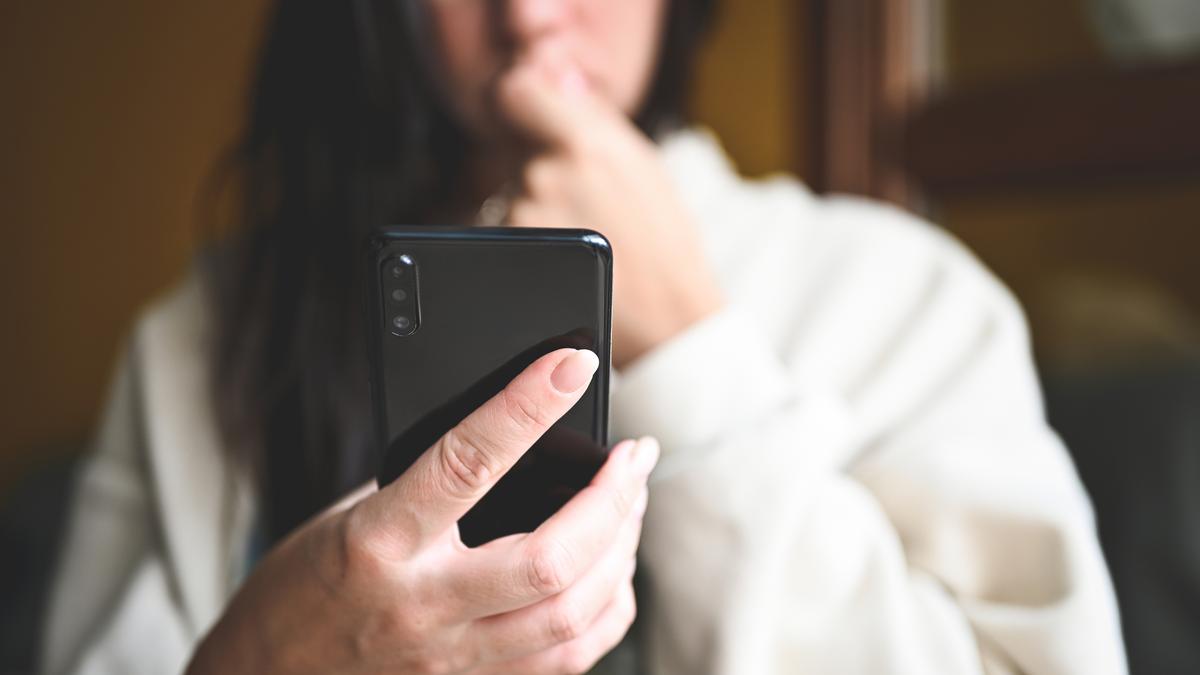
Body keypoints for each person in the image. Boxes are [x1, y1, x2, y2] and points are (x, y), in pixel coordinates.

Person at [42, 0, 1128, 673]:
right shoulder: (200, 339)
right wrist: (255, 659)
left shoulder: (905, 294)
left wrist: (692, 351)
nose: (529, 15)